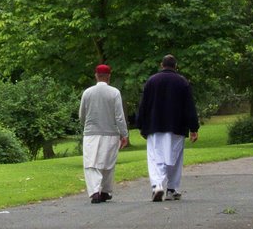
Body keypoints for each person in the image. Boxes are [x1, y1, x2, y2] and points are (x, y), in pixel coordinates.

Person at [135, 54, 199, 201]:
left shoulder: (151, 81)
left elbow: (144, 104)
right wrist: (193, 128)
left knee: (155, 156)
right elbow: (189, 106)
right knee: (175, 158)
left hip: (155, 125)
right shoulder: (182, 82)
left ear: (161, 65)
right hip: (177, 125)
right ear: (175, 66)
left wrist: (141, 125)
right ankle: (172, 188)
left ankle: (157, 185)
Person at [79, 64, 129, 203]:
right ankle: (106, 190)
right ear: (109, 76)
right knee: (108, 163)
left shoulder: (87, 92)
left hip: (91, 133)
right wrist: (124, 134)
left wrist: (87, 125)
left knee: (91, 163)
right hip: (110, 133)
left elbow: (82, 115)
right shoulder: (114, 93)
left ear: (96, 75)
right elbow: (119, 116)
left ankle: (95, 191)